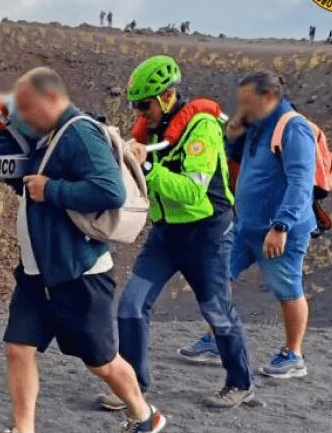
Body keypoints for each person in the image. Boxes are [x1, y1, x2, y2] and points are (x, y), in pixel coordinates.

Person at [0, 67, 166, 433]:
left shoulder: (79, 131)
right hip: (38, 273)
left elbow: (108, 190)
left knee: (101, 360)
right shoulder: (47, 137)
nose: (23, 116)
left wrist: (50, 190)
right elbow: (35, 181)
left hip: (79, 275)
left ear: (50, 99)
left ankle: (144, 416)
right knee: (18, 348)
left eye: (27, 107)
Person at [104, 56, 254, 411]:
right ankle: (134, 386)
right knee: (131, 304)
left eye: (145, 105)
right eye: (137, 106)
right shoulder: (153, 132)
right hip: (167, 234)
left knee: (216, 310)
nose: (141, 113)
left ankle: (240, 382)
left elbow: (191, 192)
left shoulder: (201, 128)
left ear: (167, 97)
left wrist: (147, 168)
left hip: (207, 234)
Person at [178, 70, 315, 378]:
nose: (241, 106)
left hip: (279, 230)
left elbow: (301, 182)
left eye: (246, 101)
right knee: (218, 274)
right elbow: (237, 161)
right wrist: (233, 136)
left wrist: (281, 226)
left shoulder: (293, 128)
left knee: (287, 288)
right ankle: (217, 339)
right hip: (247, 226)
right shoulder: (258, 126)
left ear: (268, 98)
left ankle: (294, 355)